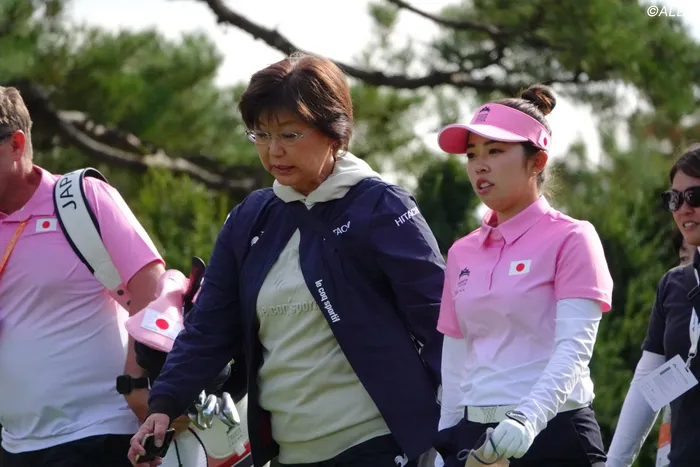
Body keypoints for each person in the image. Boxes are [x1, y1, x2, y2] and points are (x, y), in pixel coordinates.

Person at [127, 52, 445, 467]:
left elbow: (439, 321)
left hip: (379, 445)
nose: (273, 150)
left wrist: (459, 431)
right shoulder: (250, 218)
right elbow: (209, 328)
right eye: (260, 134)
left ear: (334, 132)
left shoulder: (382, 206)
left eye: (290, 134)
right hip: (288, 453)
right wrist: (164, 404)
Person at [433, 84, 614, 467]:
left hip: (554, 431)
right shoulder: (462, 251)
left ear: (537, 161)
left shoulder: (573, 237)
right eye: (471, 154)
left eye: (495, 151)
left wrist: (528, 418)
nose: (479, 165)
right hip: (475, 435)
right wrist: (445, 439)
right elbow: (456, 357)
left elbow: (574, 350)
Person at [0, 86, 176, 466]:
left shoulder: (82, 198)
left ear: (15, 144)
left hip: (100, 434)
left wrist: (136, 382)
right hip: (16, 444)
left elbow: (152, 285)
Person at [607, 146, 700, 467]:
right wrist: (615, 463)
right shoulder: (674, 285)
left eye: (694, 196)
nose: (683, 209)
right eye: (674, 199)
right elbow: (647, 384)